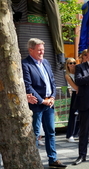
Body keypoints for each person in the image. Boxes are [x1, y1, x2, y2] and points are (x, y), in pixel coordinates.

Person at [22, 38, 66, 168]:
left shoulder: (45, 62)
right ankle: (34, 161)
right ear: (31, 50)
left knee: (51, 132)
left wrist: (52, 96)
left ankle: (53, 159)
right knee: (35, 134)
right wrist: (42, 100)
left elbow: (52, 81)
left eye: (43, 49)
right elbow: (28, 86)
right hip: (36, 104)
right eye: (39, 50)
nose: (42, 52)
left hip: (49, 104)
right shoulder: (25, 64)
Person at [72, 45, 89, 165]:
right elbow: (78, 81)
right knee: (84, 131)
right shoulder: (80, 67)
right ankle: (82, 155)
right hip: (85, 103)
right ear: (87, 55)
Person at [65, 58, 79, 142]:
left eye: (74, 62)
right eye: (70, 63)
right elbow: (75, 87)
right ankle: (70, 134)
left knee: (80, 115)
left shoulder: (78, 72)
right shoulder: (68, 75)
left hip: (81, 94)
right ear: (67, 65)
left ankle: (76, 133)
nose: (73, 64)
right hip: (75, 94)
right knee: (73, 115)